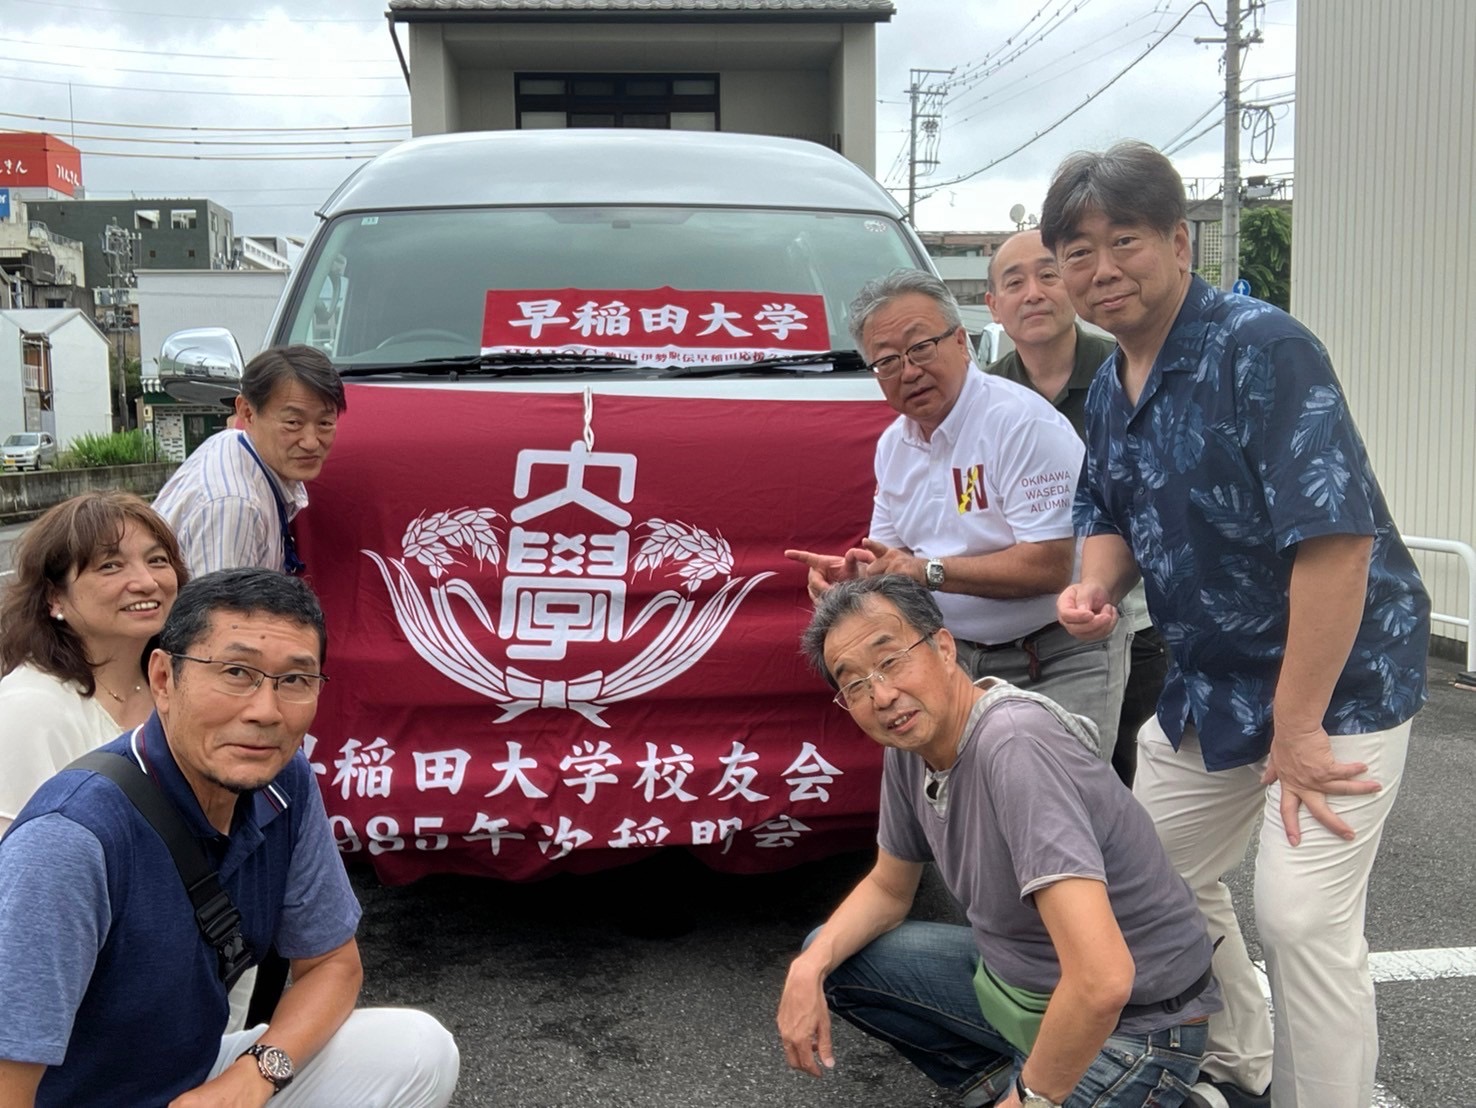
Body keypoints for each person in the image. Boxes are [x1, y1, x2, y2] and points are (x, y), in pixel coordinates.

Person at [1041, 140, 1430, 1108]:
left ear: (1180, 243)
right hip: (1211, 680)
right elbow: (1105, 510)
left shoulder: (1263, 347)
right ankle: (1238, 1058)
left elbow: (1336, 544)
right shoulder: (1111, 386)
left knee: (1301, 918)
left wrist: (1297, 728)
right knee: (1149, 876)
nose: (1102, 269)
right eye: (1078, 253)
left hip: (1340, 685)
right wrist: (1094, 586)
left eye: (1124, 241)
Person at [0, 568, 460, 1107]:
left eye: (295, 680)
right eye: (236, 672)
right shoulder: (72, 840)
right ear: (164, 679)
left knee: (417, 1049)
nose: (265, 712)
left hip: (193, 1080)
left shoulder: (283, 781)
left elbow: (333, 965)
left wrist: (253, 1076)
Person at [777, 574, 1220, 1108]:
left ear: (944, 648)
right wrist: (807, 967)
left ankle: (1112, 1088)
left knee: (1040, 1088)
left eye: (891, 661)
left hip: (1135, 1027)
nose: (882, 695)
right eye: (855, 685)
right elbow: (890, 890)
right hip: (1022, 991)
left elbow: (1102, 980)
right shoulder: (909, 747)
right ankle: (1015, 1078)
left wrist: (1030, 1099)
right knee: (831, 954)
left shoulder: (1015, 746)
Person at [786, 268, 1125, 752]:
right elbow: (893, 560)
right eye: (887, 361)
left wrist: (927, 571)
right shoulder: (893, 447)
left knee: (1054, 792)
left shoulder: (1019, 423)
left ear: (962, 342)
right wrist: (857, 578)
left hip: (1056, 653)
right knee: (964, 796)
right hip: (953, 659)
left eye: (921, 348)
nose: (908, 371)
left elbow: (1050, 565)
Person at [983, 230, 1164, 785]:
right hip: (1017, 636)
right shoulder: (982, 398)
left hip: (1133, 620)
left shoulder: (1128, 374)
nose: (1033, 293)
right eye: (1014, 282)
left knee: (1133, 784)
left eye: (1048, 274)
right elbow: (969, 500)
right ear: (992, 304)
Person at [0, 490, 185, 837]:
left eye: (158, 560)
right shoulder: (28, 708)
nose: (147, 582)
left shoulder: (177, 684)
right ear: (54, 596)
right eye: (110, 566)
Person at [152, 343, 346, 579]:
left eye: (325, 423)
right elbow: (221, 602)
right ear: (247, 412)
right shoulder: (234, 506)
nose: (311, 442)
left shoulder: (235, 444)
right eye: (293, 423)